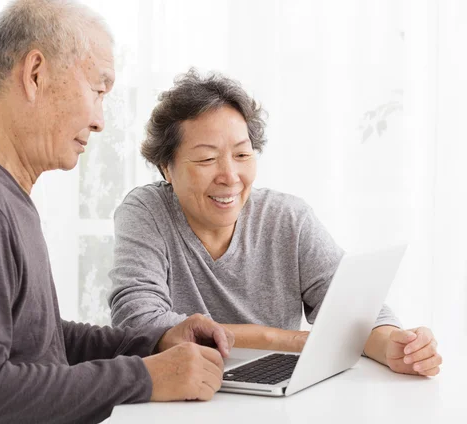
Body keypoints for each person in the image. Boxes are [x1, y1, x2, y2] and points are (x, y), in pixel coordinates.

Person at [0, 2, 235, 423]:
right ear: (36, 74)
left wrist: (154, 344)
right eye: (98, 90)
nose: (99, 121)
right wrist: (145, 376)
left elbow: (40, 340)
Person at [108, 69, 442, 377]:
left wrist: (396, 346)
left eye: (242, 155)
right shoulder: (147, 211)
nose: (230, 177)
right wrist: (288, 340)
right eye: (207, 159)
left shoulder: (287, 219)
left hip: (278, 394)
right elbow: (139, 322)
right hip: (181, 396)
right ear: (166, 168)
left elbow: (355, 312)